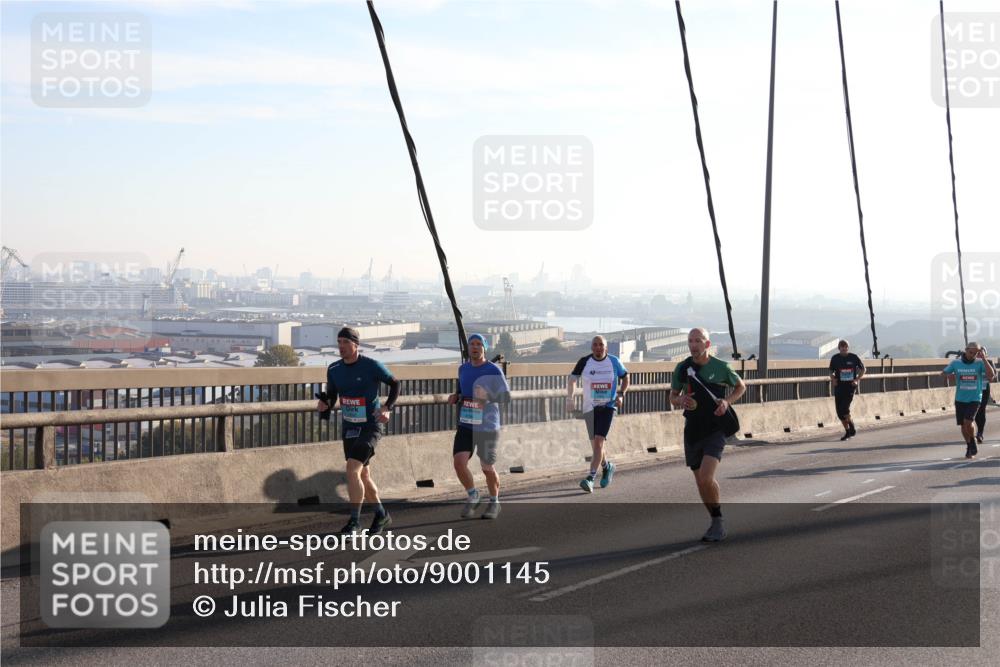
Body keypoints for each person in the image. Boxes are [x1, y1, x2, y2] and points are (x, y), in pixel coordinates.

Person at [317, 327, 400, 534]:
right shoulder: (334, 368)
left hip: (371, 426)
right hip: (350, 427)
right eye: (339, 342)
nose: (341, 347)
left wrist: (387, 408)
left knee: (352, 469)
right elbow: (332, 394)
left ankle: (354, 521)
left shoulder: (371, 366)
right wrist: (325, 405)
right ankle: (381, 515)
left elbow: (395, 384)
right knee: (363, 475)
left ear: (356, 345)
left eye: (345, 342)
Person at [669, 328, 746, 542]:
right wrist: (680, 400)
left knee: (706, 477)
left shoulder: (721, 367)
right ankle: (714, 519)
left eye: (698, 341)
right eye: (690, 341)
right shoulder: (682, 368)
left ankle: (719, 521)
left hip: (715, 429)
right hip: (693, 429)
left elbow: (741, 386)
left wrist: (726, 401)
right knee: (701, 483)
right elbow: (673, 396)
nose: (693, 345)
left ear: (707, 344)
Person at [447, 334, 511, 519]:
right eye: (472, 344)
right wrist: (456, 396)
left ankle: (494, 502)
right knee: (459, 464)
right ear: (468, 348)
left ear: (484, 348)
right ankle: (473, 494)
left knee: (487, 467)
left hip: (488, 426)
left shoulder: (493, 370)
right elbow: (462, 391)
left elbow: (505, 397)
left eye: (478, 344)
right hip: (466, 423)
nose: (475, 347)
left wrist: (487, 397)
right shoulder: (463, 369)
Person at [567, 336, 629, 493]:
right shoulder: (584, 361)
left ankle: (590, 478)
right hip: (590, 408)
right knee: (596, 446)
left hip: (608, 406)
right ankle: (607, 467)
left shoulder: (614, 361)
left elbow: (625, 377)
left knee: (599, 442)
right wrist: (570, 398)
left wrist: (621, 394)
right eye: (595, 345)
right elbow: (572, 379)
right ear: (591, 347)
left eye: (601, 345)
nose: (598, 347)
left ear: (606, 347)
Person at [941, 342, 996, 459]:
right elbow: (943, 372)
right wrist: (948, 375)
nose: (973, 355)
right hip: (960, 398)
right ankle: (969, 445)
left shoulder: (980, 363)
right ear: (966, 350)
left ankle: (973, 440)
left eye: (976, 353)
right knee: (962, 425)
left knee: (968, 421)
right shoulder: (956, 363)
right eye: (971, 352)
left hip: (975, 398)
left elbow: (992, 376)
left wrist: (984, 359)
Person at [828, 340, 866, 441]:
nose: (844, 349)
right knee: (840, 413)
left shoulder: (854, 357)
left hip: (850, 386)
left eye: (846, 347)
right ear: (839, 348)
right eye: (842, 347)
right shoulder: (835, 358)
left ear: (848, 348)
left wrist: (857, 379)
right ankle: (849, 429)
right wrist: (833, 379)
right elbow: (831, 370)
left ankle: (849, 429)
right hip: (839, 387)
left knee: (844, 408)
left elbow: (863, 369)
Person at [975, 346, 996, 444]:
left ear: (985, 354)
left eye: (981, 353)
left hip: (984, 389)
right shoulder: (970, 363)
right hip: (971, 391)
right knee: (973, 412)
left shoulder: (989, 362)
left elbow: (992, 378)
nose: (979, 354)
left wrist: (984, 360)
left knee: (981, 410)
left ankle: (980, 433)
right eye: (977, 353)